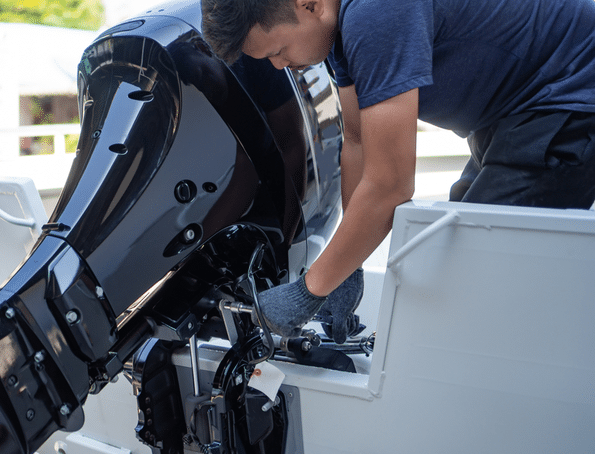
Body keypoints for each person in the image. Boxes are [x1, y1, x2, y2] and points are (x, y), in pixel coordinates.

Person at [200, 0, 595, 342]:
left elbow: (390, 186)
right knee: (454, 257)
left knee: (473, 275)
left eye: (280, 50)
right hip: (518, 109)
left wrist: (308, 291)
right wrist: (345, 266)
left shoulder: (375, 14)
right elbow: (356, 141)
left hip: (570, 95)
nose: (279, 65)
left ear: (309, 5)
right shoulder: (338, 25)